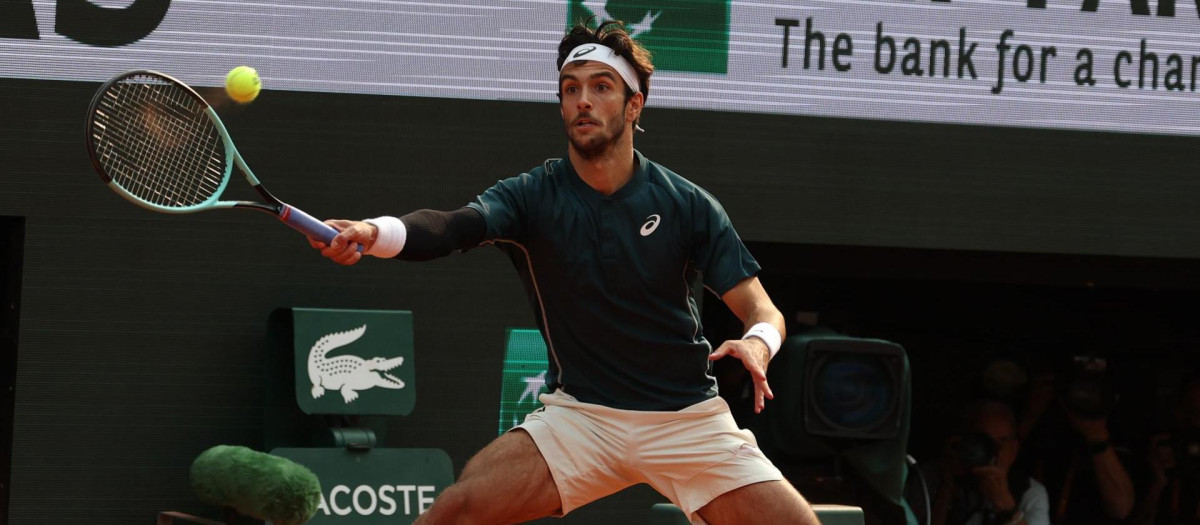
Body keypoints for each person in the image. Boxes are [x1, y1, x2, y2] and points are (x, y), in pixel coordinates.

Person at [308, 20, 819, 525]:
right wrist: (374, 232)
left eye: (601, 87)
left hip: (685, 420)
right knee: (456, 510)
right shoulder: (531, 196)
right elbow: (451, 228)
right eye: (571, 89)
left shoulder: (687, 205)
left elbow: (762, 310)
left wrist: (758, 343)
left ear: (634, 105)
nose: (583, 101)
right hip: (581, 419)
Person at [931, 400, 1050, 525]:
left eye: (1003, 441)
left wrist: (1006, 505)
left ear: (1015, 448)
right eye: (985, 442)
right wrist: (945, 491)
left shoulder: (1029, 492)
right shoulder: (937, 474)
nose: (995, 451)